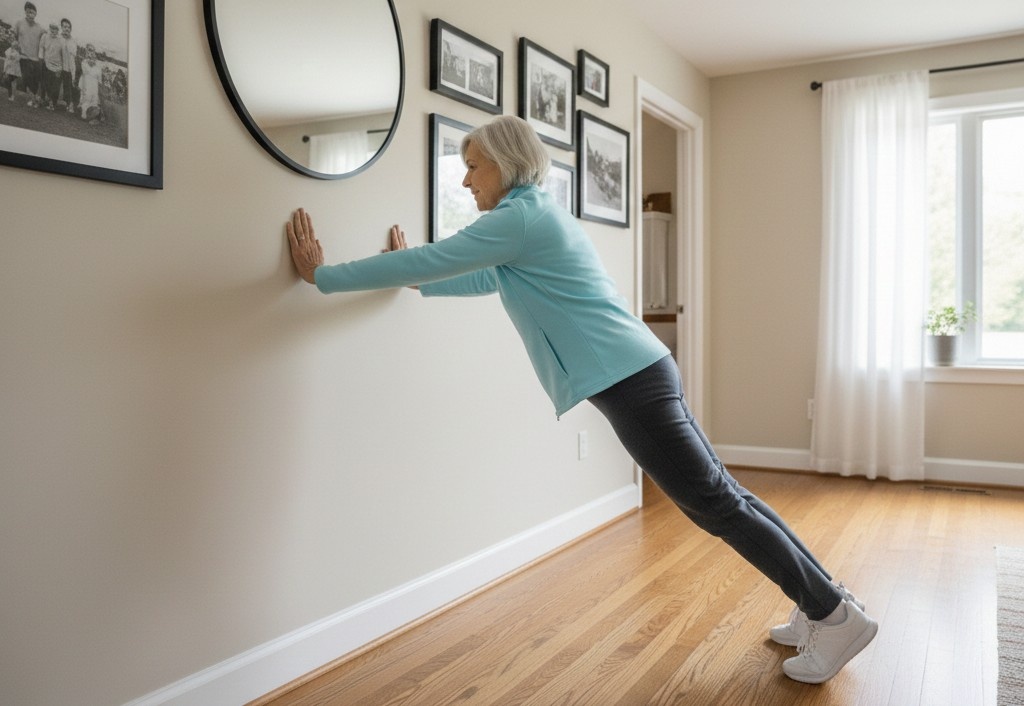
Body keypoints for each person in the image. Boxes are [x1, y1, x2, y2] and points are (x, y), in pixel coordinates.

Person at [285, 115, 878, 684]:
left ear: (506, 163)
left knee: (715, 503)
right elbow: (474, 275)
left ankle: (832, 615)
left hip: (631, 378)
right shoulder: (530, 218)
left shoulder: (520, 219)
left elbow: (436, 258)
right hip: (638, 371)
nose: (466, 181)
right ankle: (823, 602)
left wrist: (323, 275)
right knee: (723, 495)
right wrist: (410, 274)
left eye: (473, 167)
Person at [14, 1, 45, 108]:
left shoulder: (40, 28)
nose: (30, 15)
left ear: (35, 14)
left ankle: (36, 100)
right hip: (23, 57)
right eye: (28, 12)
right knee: (26, 78)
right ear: (25, 13)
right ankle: (34, 99)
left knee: (35, 81)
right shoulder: (19, 23)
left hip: (36, 59)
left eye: (32, 13)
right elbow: (15, 38)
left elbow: (46, 41)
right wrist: (17, 50)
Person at [38, 21, 63, 110]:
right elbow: (41, 48)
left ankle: (51, 103)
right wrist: (41, 59)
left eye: (55, 29)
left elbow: (62, 55)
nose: (53, 31)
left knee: (52, 86)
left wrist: (60, 68)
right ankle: (42, 99)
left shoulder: (60, 41)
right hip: (45, 63)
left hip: (56, 66)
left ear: (58, 30)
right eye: (52, 28)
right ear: (49, 28)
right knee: (43, 83)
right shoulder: (45, 36)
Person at [59, 18, 78, 114]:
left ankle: (70, 105)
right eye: (65, 27)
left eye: (68, 27)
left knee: (68, 87)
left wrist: (73, 72)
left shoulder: (73, 41)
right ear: (61, 27)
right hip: (58, 67)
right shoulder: (59, 38)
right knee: (55, 85)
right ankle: (50, 101)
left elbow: (73, 56)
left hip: (69, 68)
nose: (67, 29)